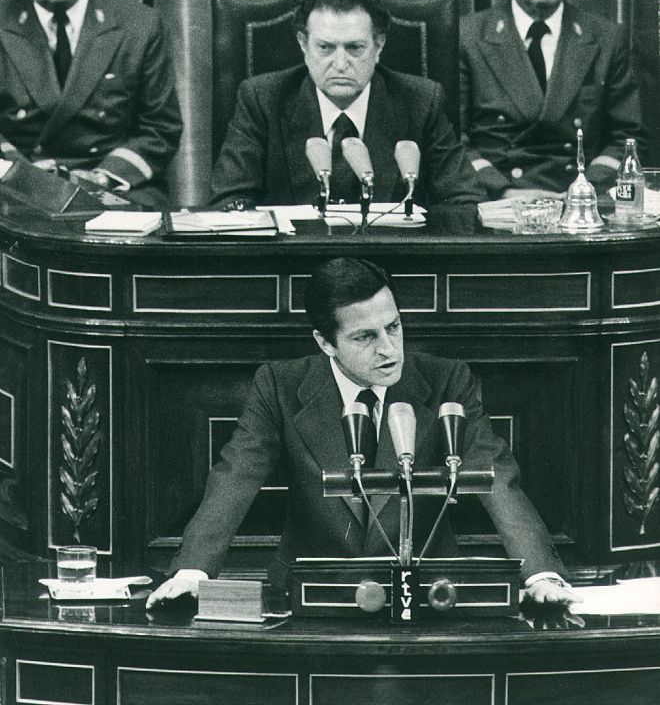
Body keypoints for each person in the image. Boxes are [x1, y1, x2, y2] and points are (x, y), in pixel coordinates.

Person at [147, 257, 579, 609]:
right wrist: (193, 572)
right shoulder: (279, 385)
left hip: (431, 593)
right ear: (325, 343)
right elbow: (235, 476)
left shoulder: (448, 380)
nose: (389, 349)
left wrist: (540, 572)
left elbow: (495, 476)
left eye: (393, 327)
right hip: (312, 596)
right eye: (365, 337)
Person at [209, 0, 482, 215]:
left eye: (354, 48)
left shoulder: (421, 100)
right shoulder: (262, 99)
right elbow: (229, 200)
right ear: (304, 45)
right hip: (291, 266)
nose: (340, 64)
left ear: (378, 46)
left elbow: (464, 201)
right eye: (326, 48)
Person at [0, 0, 182, 208]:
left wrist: (102, 177)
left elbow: (160, 126)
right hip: (16, 188)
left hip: (113, 185)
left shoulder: (139, 24)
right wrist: (23, 175)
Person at [459, 0, 645, 201]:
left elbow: (627, 137)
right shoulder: (468, 36)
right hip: (497, 200)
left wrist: (584, 190)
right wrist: (503, 190)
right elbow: (452, 140)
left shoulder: (606, 39)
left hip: (581, 201)